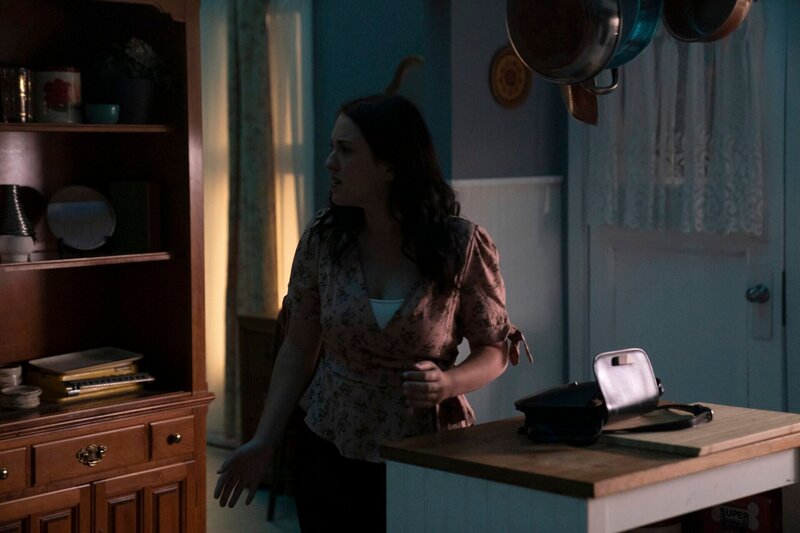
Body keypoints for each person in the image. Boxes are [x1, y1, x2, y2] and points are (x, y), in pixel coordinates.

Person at [214, 93, 530, 531]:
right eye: (332, 148)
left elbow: (494, 349)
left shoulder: (460, 245)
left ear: (390, 166)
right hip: (329, 443)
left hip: (423, 448)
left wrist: (447, 383)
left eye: (345, 150)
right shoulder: (324, 241)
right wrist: (264, 439)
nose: (330, 163)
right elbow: (298, 348)